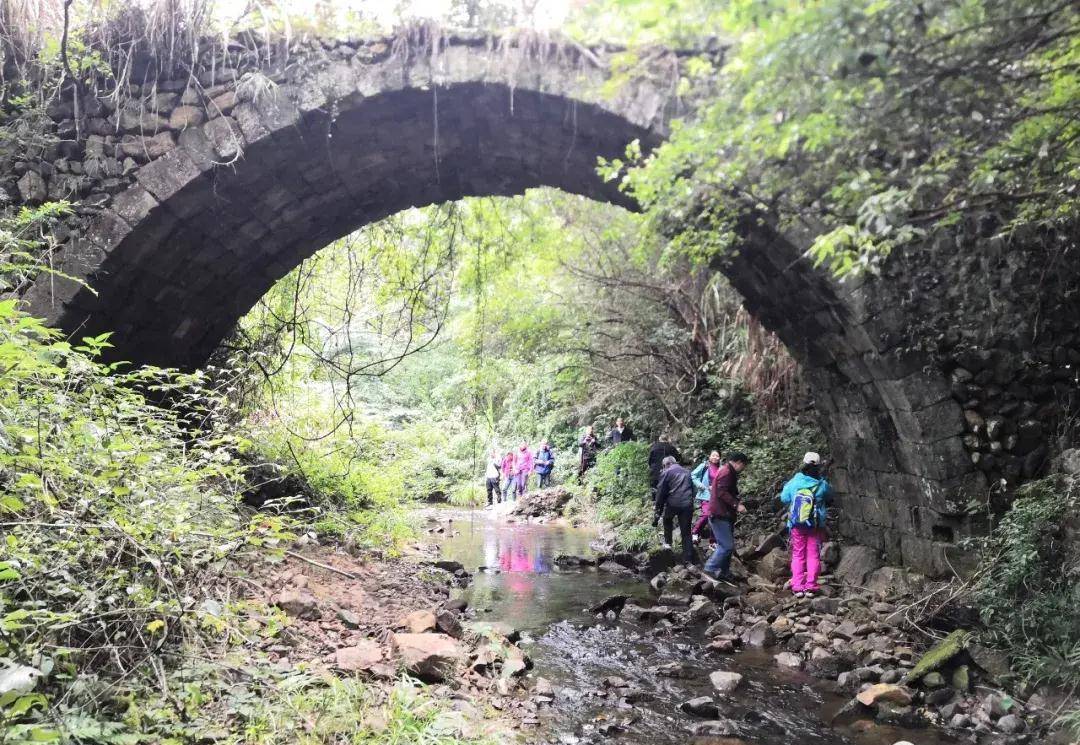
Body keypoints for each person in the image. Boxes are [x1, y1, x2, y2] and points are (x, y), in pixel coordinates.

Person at [779, 451, 832, 597]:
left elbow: (784, 499)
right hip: (815, 526)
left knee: (798, 554)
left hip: (797, 525)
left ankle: (797, 586)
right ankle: (810, 586)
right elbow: (830, 496)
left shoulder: (794, 482)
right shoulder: (822, 484)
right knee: (813, 555)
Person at [703, 451, 749, 580]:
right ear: (739, 463)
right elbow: (721, 492)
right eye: (743, 466)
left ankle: (724, 572)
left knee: (728, 546)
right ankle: (709, 568)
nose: (743, 469)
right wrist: (736, 505)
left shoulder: (727, 470)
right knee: (726, 546)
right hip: (719, 514)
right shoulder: (726, 472)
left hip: (723, 513)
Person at [652, 455, 697, 565]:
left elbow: (661, 493)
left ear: (666, 465)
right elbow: (694, 489)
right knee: (686, 532)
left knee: (667, 520)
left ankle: (668, 544)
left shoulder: (666, 472)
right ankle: (688, 560)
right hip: (687, 504)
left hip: (672, 503)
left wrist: (658, 509)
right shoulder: (687, 472)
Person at [690, 450, 722, 543]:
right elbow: (693, 475)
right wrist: (700, 485)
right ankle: (695, 532)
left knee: (715, 517)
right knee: (706, 514)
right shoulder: (704, 466)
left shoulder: (721, 468)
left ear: (719, 458)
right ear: (709, 457)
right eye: (713, 455)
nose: (715, 457)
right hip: (705, 495)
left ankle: (713, 541)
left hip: (717, 496)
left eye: (717, 456)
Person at [647, 433, 681, 499]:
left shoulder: (653, 447)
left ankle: (655, 503)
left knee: (655, 487)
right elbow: (677, 459)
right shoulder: (671, 448)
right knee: (667, 487)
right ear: (667, 439)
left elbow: (649, 460)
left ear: (660, 439)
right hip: (668, 471)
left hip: (655, 471)